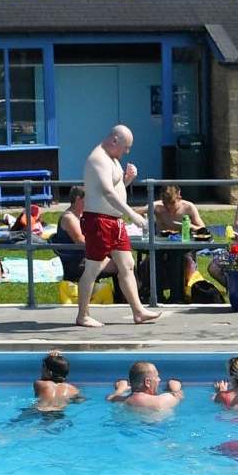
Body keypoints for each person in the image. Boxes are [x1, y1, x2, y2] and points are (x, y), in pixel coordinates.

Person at [76, 125, 158, 328]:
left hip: (115, 222)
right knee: (93, 269)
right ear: (114, 140)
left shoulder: (112, 158)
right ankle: (82, 315)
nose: (126, 152)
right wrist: (133, 215)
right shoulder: (98, 159)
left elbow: (116, 187)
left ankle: (138, 311)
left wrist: (127, 180)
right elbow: (107, 192)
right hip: (99, 221)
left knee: (127, 264)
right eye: (125, 147)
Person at [107, 360, 183, 413]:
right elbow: (179, 395)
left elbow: (110, 398)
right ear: (148, 382)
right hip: (158, 432)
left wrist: (121, 388)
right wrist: (175, 387)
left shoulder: (122, 400)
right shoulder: (161, 401)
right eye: (157, 376)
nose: (159, 380)